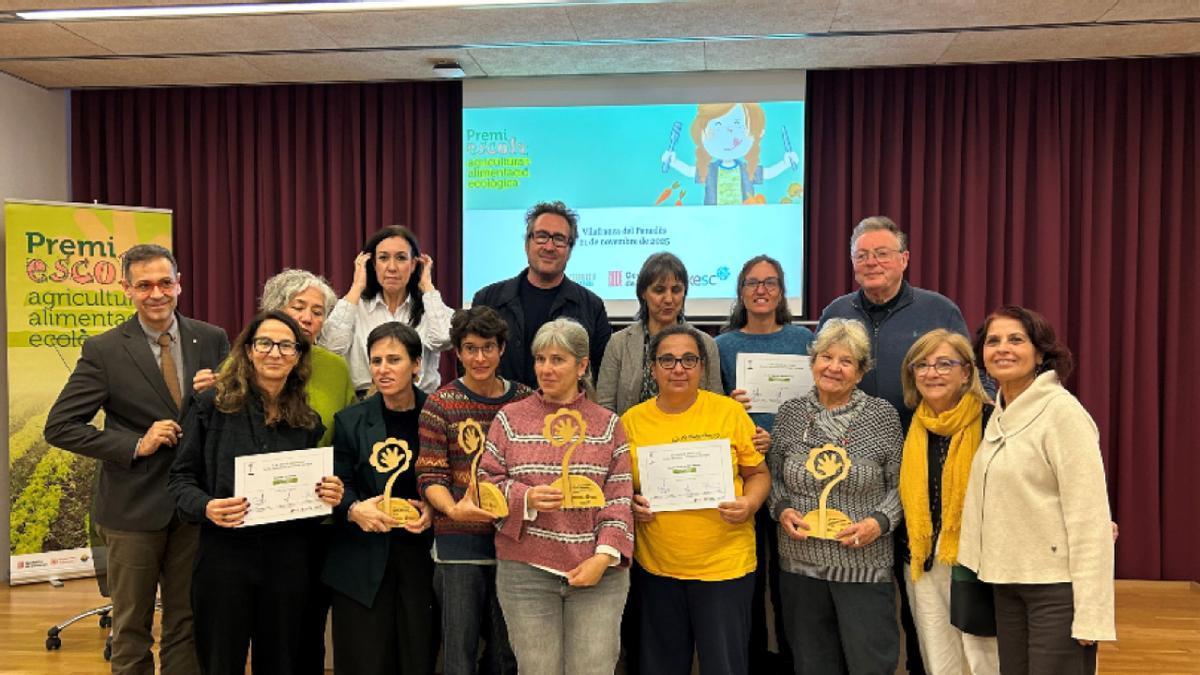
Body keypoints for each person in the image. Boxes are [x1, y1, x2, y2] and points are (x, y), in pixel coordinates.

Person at [44, 244, 228, 675]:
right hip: (131, 509)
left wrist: (222, 392)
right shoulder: (105, 350)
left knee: (189, 622)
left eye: (165, 282)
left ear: (179, 284)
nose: (156, 293)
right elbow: (60, 426)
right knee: (130, 628)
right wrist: (134, 444)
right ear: (126, 289)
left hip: (193, 507)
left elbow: (230, 417)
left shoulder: (213, 338)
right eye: (143, 285)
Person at [818, 215, 968, 674]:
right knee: (871, 593)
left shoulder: (938, 310)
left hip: (927, 467)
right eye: (862, 255)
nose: (872, 262)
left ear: (904, 258)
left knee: (925, 591)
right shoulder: (835, 312)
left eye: (882, 253)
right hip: (854, 476)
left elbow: (964, 378)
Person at [168, 310, 343, 674]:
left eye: (286, 345)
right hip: (224, 557)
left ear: (298, 356)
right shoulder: (211, 406)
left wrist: (328, 491)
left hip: (288, 561)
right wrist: (207, 507)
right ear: (248, 351)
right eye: (264, 343)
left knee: (281, 662)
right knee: (220, 661)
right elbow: (180, 480)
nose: (274, 353)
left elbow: (310, 497)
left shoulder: (307, 422)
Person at [959, 306, 1115, 674]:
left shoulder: (1062, 413)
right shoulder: (1001, 414)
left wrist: (1091, 612)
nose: (1003, 349)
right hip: (1008, 583)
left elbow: (1090, 516)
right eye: (993, 341)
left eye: (1016, 339)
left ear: (1041, 352)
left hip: (1056, 590)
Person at [477, 318, 633, 675]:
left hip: (598, 574)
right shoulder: (509, 420)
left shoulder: (608, 424)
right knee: (537, 669)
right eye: (540, 359)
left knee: (593, 669)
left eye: (557, 359)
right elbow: (487, 483)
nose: (546, 369)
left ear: (582, 366)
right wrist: (525, 499)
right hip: (526, 570)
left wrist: (603, 558)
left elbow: (619, 499)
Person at [621, 324, 770, 675]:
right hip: (658, 569)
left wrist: (749, 505)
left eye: (689, 359)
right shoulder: (631, 421)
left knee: (725, 667)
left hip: (724, 568)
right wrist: (630, 503)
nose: (678, 368)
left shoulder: (729, 413)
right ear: (652, 367)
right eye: (668, 360)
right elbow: (620, 488)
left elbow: (759, 475)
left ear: (702, 366)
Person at [768, 318, 904, 675]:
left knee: (871, 664)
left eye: (846, 361)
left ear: (860, 372)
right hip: (799, 566)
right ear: (812, 362)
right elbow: (775, 479)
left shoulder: (882, 416)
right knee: (811, 665)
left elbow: (901, 487)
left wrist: (879, 522)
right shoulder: (790, 414)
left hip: (863, 566)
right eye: (826, 357)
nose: (833, 367)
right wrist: (782, 509)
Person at [416, 306, 534, 675]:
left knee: (507, 654)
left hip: (516, 544)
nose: (479, 357)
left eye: (487, 347)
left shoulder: (525, 402)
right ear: (458, 351)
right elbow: (430, 476)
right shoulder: (440, 404)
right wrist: (452, 510)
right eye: (469, 348)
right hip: (458, 546)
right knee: (459, 654)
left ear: (501, 349)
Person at [714, 254, 814, 672]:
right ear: (740, 292)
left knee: (791, 578)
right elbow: (706, 410)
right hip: (741, 475)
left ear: (781, 291)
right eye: (752, 283)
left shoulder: (805, 341)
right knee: (748, 578)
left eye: (770, 282)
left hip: (796, 472)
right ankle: (751, 659)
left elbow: (819, 405)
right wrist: (727, 404)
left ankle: (793, 660)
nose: (761, 290)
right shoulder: (721, 346)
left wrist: (783, 436)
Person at [322, 322, 437, 675]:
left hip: (420, 558)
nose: (383, 369)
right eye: (375, 361)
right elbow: (337, 483)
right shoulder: (350, 421)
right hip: (363, 556)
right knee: (365, 660)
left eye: (393, 360)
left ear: (416, 364)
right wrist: (355, 509)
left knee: (417, 658)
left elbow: (454, 478)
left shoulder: (437, 414)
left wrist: (435, 506)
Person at [258, 268, 357, 674]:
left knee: (312, 621)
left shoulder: (334, 367)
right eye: (298, 307)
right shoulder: (247, 361)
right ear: (273, 309)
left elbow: (346, 437)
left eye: (318, 312)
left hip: (317, 515)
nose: (308, 318)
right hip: (264, 519)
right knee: (270, 626)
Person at [898, 329, 999, 675]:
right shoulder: (911, 423)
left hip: (978, 558)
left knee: (985, 655)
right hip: (924, 557)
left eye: (944, 364)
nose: (932, 373)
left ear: (966, 372)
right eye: (922, 365)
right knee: (938, 654)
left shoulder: (993, 420)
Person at [470, 201, 611, 389]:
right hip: (497, 413)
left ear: (570, 250)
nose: (549, 247)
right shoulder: (488, 300)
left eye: (559, 239)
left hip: (565, 417)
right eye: (542, 236)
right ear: (527, 243)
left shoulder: (591, 307)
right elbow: (469, 365)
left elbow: (601, 376)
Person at [322, 225, 453, 396]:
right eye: (383, 258)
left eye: (401, 258)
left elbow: (443, 339)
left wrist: (427, 286)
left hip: (419, 403)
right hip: (365, 401)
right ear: (374, 265)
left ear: (413, 264)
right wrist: (357, 286)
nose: (392, 267)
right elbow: (330, 347)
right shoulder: (354, 306)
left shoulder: (430, 305)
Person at [598, 251, 721, 416]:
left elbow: (716, 403)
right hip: (633, 437)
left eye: (676, 290)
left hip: (692, 439)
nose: (669, 299)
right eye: (659, 290)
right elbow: (604, 407)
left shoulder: (706, 343)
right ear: (643, 293)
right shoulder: (619, 343)